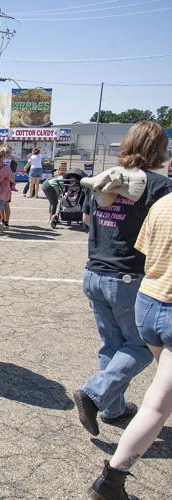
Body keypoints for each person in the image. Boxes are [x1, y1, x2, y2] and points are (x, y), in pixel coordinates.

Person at [74, 121, 172, 439]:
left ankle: (113, 408)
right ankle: (94, 394)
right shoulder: (159, 187)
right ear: (159, 150)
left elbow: (88, 219)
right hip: (128, 275)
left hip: (95, 271)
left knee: (113, 344)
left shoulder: (106, 178)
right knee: (143, 344)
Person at [87, 190, 172, 499]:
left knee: (159, 392)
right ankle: (112, 479)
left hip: (150, 300)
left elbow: (146, 250)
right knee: (158, 402)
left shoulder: (163, 203)